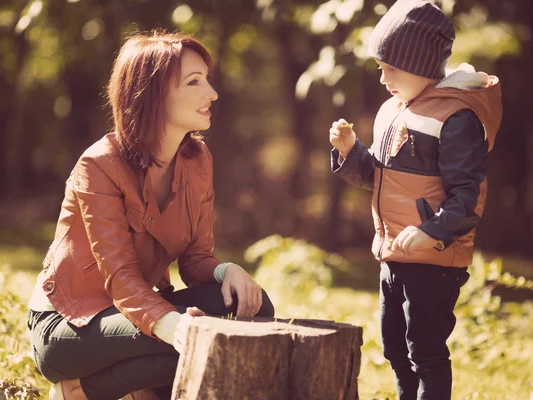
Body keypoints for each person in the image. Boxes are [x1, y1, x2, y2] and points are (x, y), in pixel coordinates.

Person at [27, 31, 274, 400]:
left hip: (133, 311)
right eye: (194, 82)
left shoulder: (198, 160)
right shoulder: (98, 165)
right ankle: (77, 391)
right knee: (194, 341)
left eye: (207, 79)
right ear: (153, 94)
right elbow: (121, 275)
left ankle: (129, 386)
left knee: (254, 311)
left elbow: (195, 258)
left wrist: (227, 272)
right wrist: (177, 327)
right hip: (69, 324)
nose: (212, 93)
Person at [328, 1, 502, 399]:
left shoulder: (456, 117)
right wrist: (350, 151)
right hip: (394, 253)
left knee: (425, 350)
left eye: (391, 67)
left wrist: (432, 232)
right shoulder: (395, 108)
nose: (382, 76)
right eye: (380, 66)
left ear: (421, 65)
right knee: (394, 348)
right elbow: (377, 177)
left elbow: (467, 197)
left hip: (433, 259)